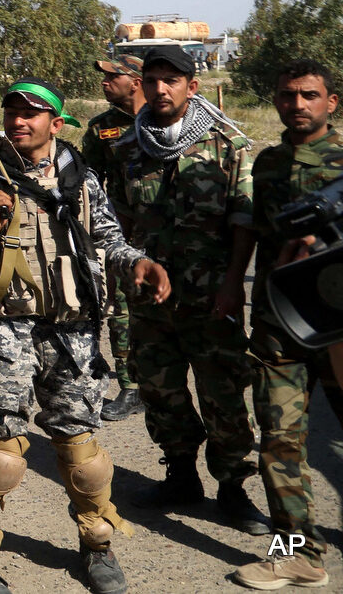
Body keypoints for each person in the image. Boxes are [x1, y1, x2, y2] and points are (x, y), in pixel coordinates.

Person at [0, 78, 169, 594]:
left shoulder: (81, 181)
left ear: (55, 123)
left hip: (73, 335)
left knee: (84, 456)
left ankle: (98, 547)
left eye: (33, 113)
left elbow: (109, 238)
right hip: (5, 337)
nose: (20, 121)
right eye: (13, 111)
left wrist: (139, 263)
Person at [111, 44, 265, 533]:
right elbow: (120, 221)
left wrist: (232, 284)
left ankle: (234, 489)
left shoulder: (227, 144)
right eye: (152, 80)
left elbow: (244, 220)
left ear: (191, 86)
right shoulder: (130, 149)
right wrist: (131, 267)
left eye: (171, 80)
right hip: (150, 303)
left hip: (211, 297)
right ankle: (180, 476)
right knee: (161, 391)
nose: (160, 89)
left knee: (223, 393)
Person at [230, 59, 343, 590]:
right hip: (281, 323)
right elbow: (252, 231)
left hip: (340, 325)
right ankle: (296, 551)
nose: (297, 104)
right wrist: (234, 284)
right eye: (287, 95)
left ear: (331, 102)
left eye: (309, 95)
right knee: (278, 441)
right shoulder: (268, 162)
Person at [80, 55, 147, 422]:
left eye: (112, 77)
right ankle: (131, 387)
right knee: (121, 312)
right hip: (121, 237)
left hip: (170, 235)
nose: (104, 82)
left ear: (135, 81)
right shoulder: (101, 128)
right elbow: (88, 182)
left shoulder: (163, 119)